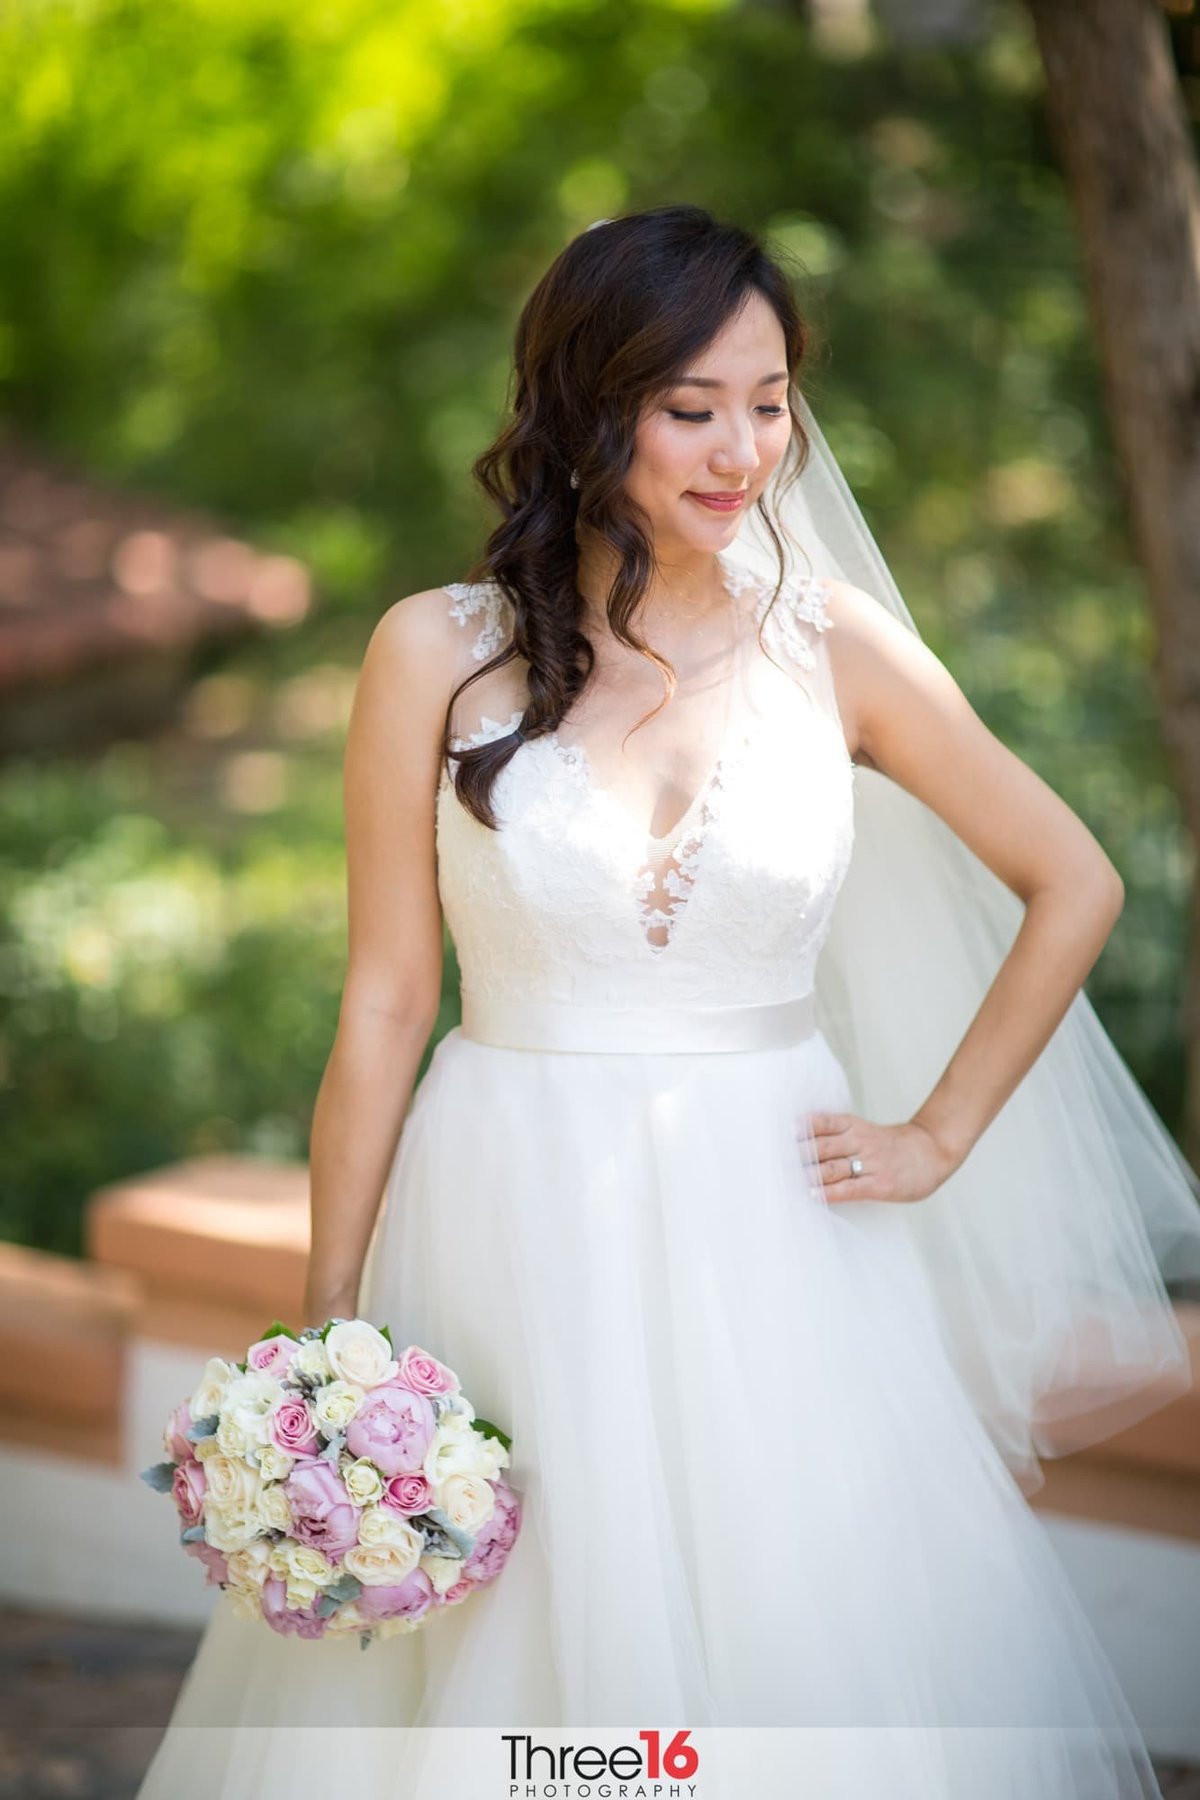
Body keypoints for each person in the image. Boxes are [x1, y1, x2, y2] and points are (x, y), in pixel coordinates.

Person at [138, 205, 1200, 1800]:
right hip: (505, 1204)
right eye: (691, 405)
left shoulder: (836, 646)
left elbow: (1076, 878)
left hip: (780, 1226)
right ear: (588, 404)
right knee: (526, 1651)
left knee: (788, 1633)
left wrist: (935, 1137)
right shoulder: (434, 652)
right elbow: (381, 1001)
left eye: (768, 402)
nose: (741, 449)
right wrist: (329, 1315)